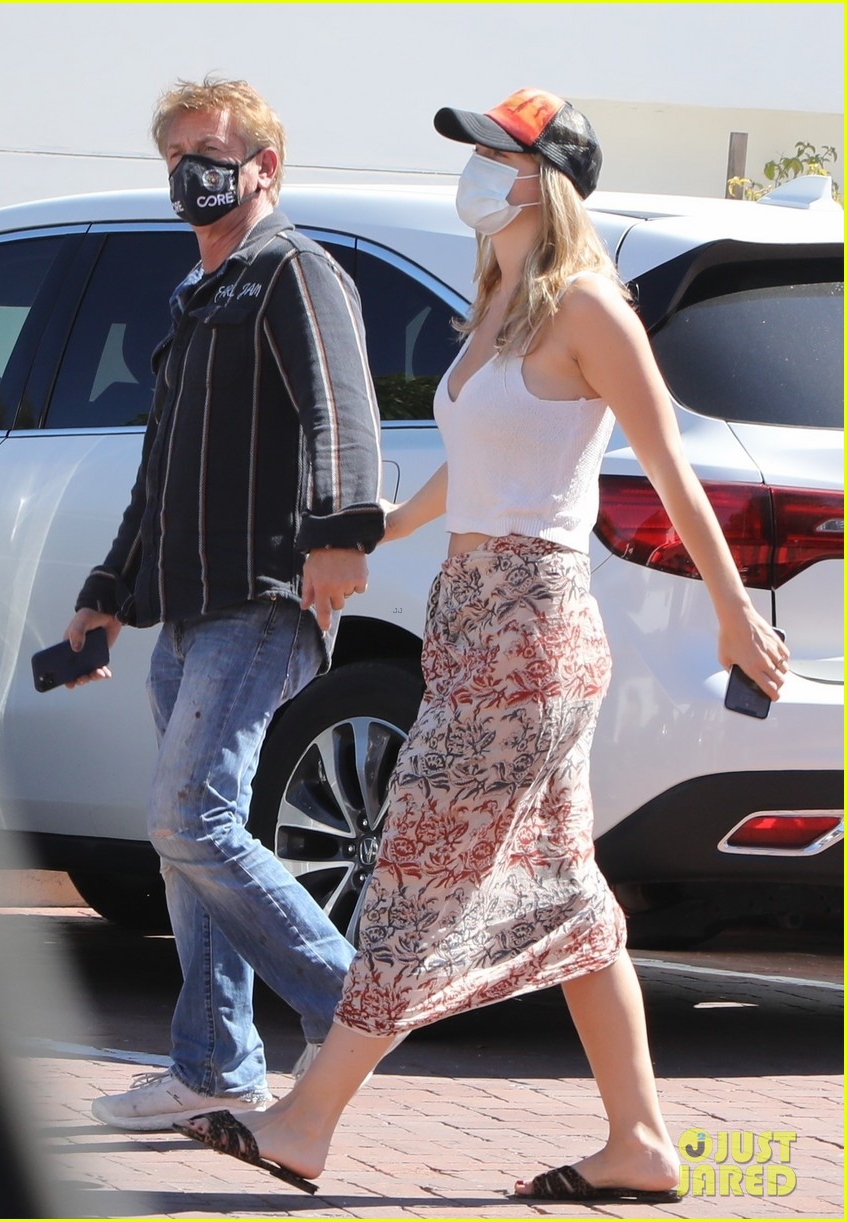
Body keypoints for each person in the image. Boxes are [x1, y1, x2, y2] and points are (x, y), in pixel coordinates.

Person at [174, 88, 791, 1200]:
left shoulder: (590, 309)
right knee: (567, 897)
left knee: (413, 869)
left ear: (540, 177)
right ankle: (641, 1146)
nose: (470, 169)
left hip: (531, 631)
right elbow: (481, 464)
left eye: (490, 153)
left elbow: (666, 468)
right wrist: (377, 526)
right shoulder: (502, 301)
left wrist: (732, 611)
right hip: (471, 614)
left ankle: (308, 1119)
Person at [64, 76, 385, 1131]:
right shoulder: (196, 296)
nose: (191, 171)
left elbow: (342, 403)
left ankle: (360, 1007)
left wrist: (342, 533)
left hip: (260, 597)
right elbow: (160, 472)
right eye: (177, 156)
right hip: (192, 609)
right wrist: (108, 595)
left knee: (187, 813)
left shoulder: (293, 270)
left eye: (211, 150)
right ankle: (213, 1066)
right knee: (188, 835)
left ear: (264, 168)